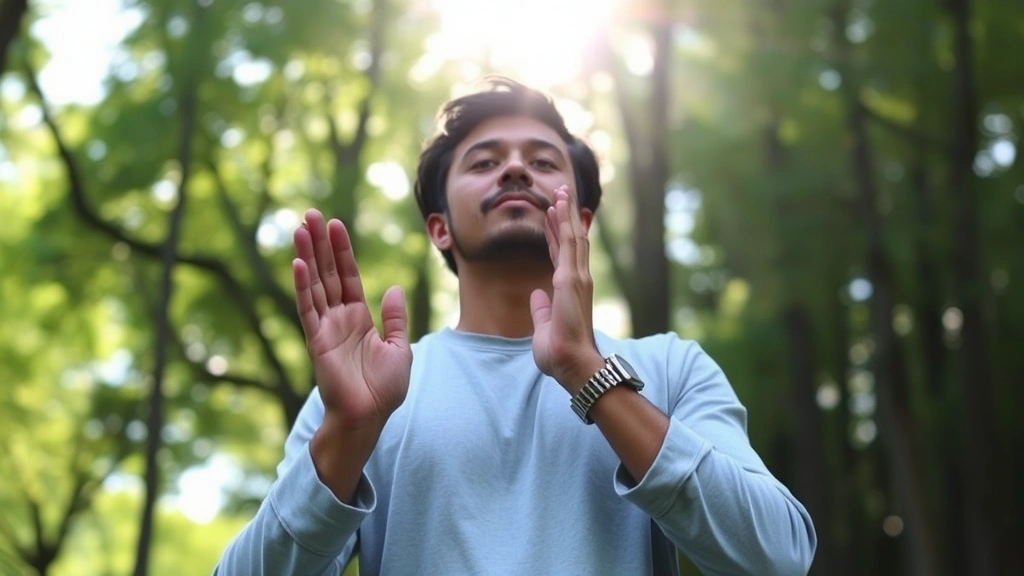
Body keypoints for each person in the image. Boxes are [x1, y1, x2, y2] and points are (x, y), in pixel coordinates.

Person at [215, 78, 816, 575]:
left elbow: (778, 558)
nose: (514, 170)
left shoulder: (670, 367)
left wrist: (588, 372)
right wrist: (346, 431)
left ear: (581, 218)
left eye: (542, 160)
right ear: (439, 229)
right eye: (484, 161)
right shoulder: (363, 394)